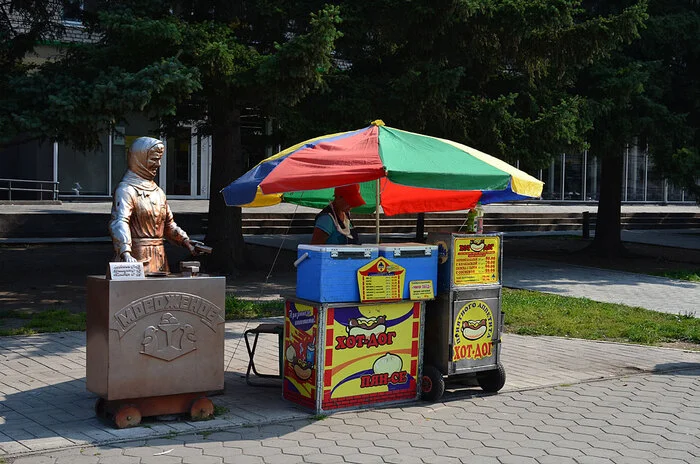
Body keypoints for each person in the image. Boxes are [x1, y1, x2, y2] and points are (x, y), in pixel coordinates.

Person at [109, 137, 196, 274]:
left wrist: (185, 240)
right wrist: (125, 252)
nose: (159, 164)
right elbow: (120, 221)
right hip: (134, 260)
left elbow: (169, 225)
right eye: (154, 159)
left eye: (159, 159)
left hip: (160, 262)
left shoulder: (158, 192)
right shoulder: (126, 190)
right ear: (140, 159)